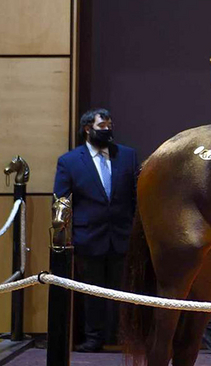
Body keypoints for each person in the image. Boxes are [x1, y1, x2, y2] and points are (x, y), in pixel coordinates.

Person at [53, 108, 138, 352]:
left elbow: (135, 198)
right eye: (103, 126)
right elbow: (61, 199)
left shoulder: (127, 156)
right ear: (88, 129)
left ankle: (126, 338)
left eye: (110, 125)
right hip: (88, 237)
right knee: (91, 292)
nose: (108, 130)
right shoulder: (69, 161)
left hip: (121, 235)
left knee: (125, 292)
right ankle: (94, 338)